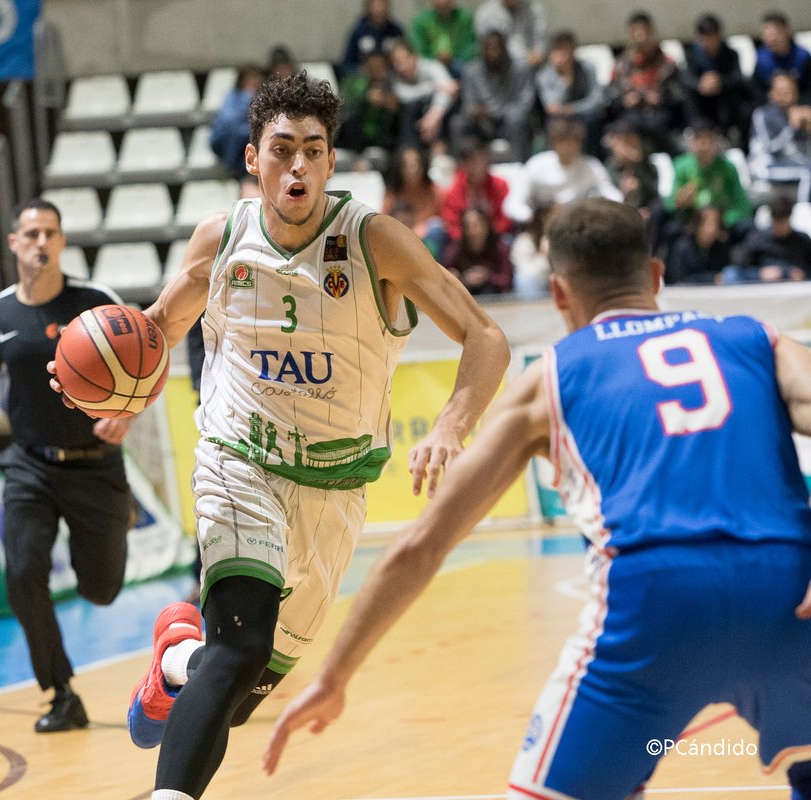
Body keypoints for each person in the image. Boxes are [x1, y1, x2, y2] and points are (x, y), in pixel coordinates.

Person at [264, 197, 811, 800]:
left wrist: (335, 674)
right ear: (656, 275)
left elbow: (422, 546)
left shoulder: (551, 378)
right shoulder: (754, 339)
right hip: (785, 590)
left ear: (557, 293)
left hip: (652, 604)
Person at [95, 71, 509, 800]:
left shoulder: (374, 242)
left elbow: (485, 337)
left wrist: (451, 424)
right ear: (253, 159)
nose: (297, 166)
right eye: (281, 149)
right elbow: (158, 330)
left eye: (312, 150)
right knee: (245, 640)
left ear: (330, 162)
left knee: (240, 685)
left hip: (336, 488)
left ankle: (177, 663)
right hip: (238, 458)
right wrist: (126, 393)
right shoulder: (220, 239)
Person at [0, 198, 135, 734]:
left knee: (101, 589)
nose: (41, 242)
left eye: (51, 233)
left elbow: (146, 363)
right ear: (14, 243)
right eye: (32, 234)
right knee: (22, 576)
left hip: (95, 466)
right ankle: (62, 692)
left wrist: (127, 416)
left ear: (62, 241)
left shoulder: (96, 303)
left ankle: (102, 530)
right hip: (29, 466)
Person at [505, 117, 623, 224]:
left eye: (574, 142)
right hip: (541, 223)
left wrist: (618, 203)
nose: (569, 148)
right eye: (563, 142)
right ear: (553, 143)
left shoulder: (591, 166)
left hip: (580, 224)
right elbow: (513, 203)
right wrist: (531, 217)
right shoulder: (536, 164)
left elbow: (609, 191)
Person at [607, 11, 690, 156]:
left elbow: (679, 94)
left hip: (660, 113)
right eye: (635, 32)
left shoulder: (667, 64)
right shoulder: (621, 64)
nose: (639, 37)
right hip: (630, 113)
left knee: (658, 126)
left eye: (643, 31)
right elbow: (611, 92)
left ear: (651, 32)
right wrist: (624, 100)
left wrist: (662, 99)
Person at [450, 28, 537, 163]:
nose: (493, 53)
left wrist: (497, 112)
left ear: (505, 48)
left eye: (497, 48)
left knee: (518, 119)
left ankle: (519, 167)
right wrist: (474, 110)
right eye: (489, 48)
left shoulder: (521, 68)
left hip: (509, 122)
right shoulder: (471, 71)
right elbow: (468, 102)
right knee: (458, 123)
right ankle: (462, 172)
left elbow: (526, 102)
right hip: (483, 124)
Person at [682, 13, 751, 144]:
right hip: (701, 101)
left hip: (724, 101)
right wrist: (700, 84)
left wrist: (719, 82)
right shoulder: (691, 54)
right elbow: (686, 77)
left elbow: (737, 77)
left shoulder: (730, 54)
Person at [535, 32, 606, 155]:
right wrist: (565, 78)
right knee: (554, 124)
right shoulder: (544, 75)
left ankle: (592, 160)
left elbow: (597, 100)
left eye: (568, 51)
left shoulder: (588, 68)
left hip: (582, 115)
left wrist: (571, 109)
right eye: (559, 51)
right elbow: (551, 106)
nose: (564, 56)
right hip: (558, 117)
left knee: (594, 119)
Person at [749, 73, 811, 204]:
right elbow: (771, 149)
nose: (788, 95)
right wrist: (792, 127)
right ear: (771, 94)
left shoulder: (800, 114)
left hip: (792, 168)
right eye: (782, 91)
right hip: (766, 167)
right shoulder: (762, 115)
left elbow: (802, 154)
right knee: (808, 171)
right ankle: (803, 211)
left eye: (791, 90)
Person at [386, 41, 457, 151]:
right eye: (395, 62)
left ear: (414, 57)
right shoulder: (394, 78)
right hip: (414, 118)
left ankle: (439, 156)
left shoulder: (433, 66)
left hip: (438, 116)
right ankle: (409, 152)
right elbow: (405, 96)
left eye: (401, 61)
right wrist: (433, 87)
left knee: (449, 106)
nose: (398, 67)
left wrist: (433, 117)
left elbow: (449, 90)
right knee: (409, 108)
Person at [441, 137, 514, 243]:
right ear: (464, 164)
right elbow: (451, 222)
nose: (479, 166)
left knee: (508, 240)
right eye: (474, 161)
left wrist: (486, 236)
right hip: (464, 241)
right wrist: (469, 237)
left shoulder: (500, 185)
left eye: (482, 160)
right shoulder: (455, 189)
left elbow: (505, 218)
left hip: (493, 238)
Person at [726, 195, 811, 283]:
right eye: (776, 222)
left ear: (789, 219)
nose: (779, 227)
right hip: (761, 285)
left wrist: (803, 273)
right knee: (730, 273)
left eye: (783, 223)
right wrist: (759, 272)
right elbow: (739, 263)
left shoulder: (802, 241)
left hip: (796, 288)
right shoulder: (758, 238)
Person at [210, 65, 265, 180]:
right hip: (225, 138)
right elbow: (229, 119)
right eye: (251, 78)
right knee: (237, 131)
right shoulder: (232, 96)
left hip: (246, 139)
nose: (255, 81)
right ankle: (230, 166)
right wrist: (248, 98)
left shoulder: (262, 97)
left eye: (257, 78)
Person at [442, 207, 514, 294]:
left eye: (475, 225)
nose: (471, 231)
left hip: (493, 297)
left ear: (486, 226)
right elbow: (443, 275)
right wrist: (455, 277)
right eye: (467, 226)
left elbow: (507, 281)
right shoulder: (456, 249)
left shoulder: (500, 249)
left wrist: (487, 277)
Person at [752, 10, 811, 105]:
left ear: (787, 31)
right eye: (767, 35)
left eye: (775, 34)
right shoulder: (762, 60)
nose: (771, 39)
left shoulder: (802, 57)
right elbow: (756, 91)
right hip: (773, 107)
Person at [409, 0, 478, 79]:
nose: (442, 2)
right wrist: (436, 58)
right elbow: (419, 51)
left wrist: (451, 59)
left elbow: (471, 48)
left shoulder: (465, 18)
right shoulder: (421, 21)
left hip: (459, 63)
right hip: (431, 65)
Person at [666, 205, 733, 284]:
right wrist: (711, 278)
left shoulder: (721, 248)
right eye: (710, 224)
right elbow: (678, 280)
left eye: (717, 223)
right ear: (698, 225)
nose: (715, 228)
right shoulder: (682, 248)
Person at [340, 0, 406, 76]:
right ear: (368, 8)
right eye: (375, 6)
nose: (379, 10)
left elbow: (406, 56)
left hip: (392, 77)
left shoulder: (395, 31)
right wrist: (362, 70)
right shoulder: (358, 32)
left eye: (382, 5)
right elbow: (346, 65)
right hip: (365, 78)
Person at [474, 0, 547, 68]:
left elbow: (540, 39)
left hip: (530, 65)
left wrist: (538, 53)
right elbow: (486, 48)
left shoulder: (534, 9)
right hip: (499, 65)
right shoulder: (485, 13)